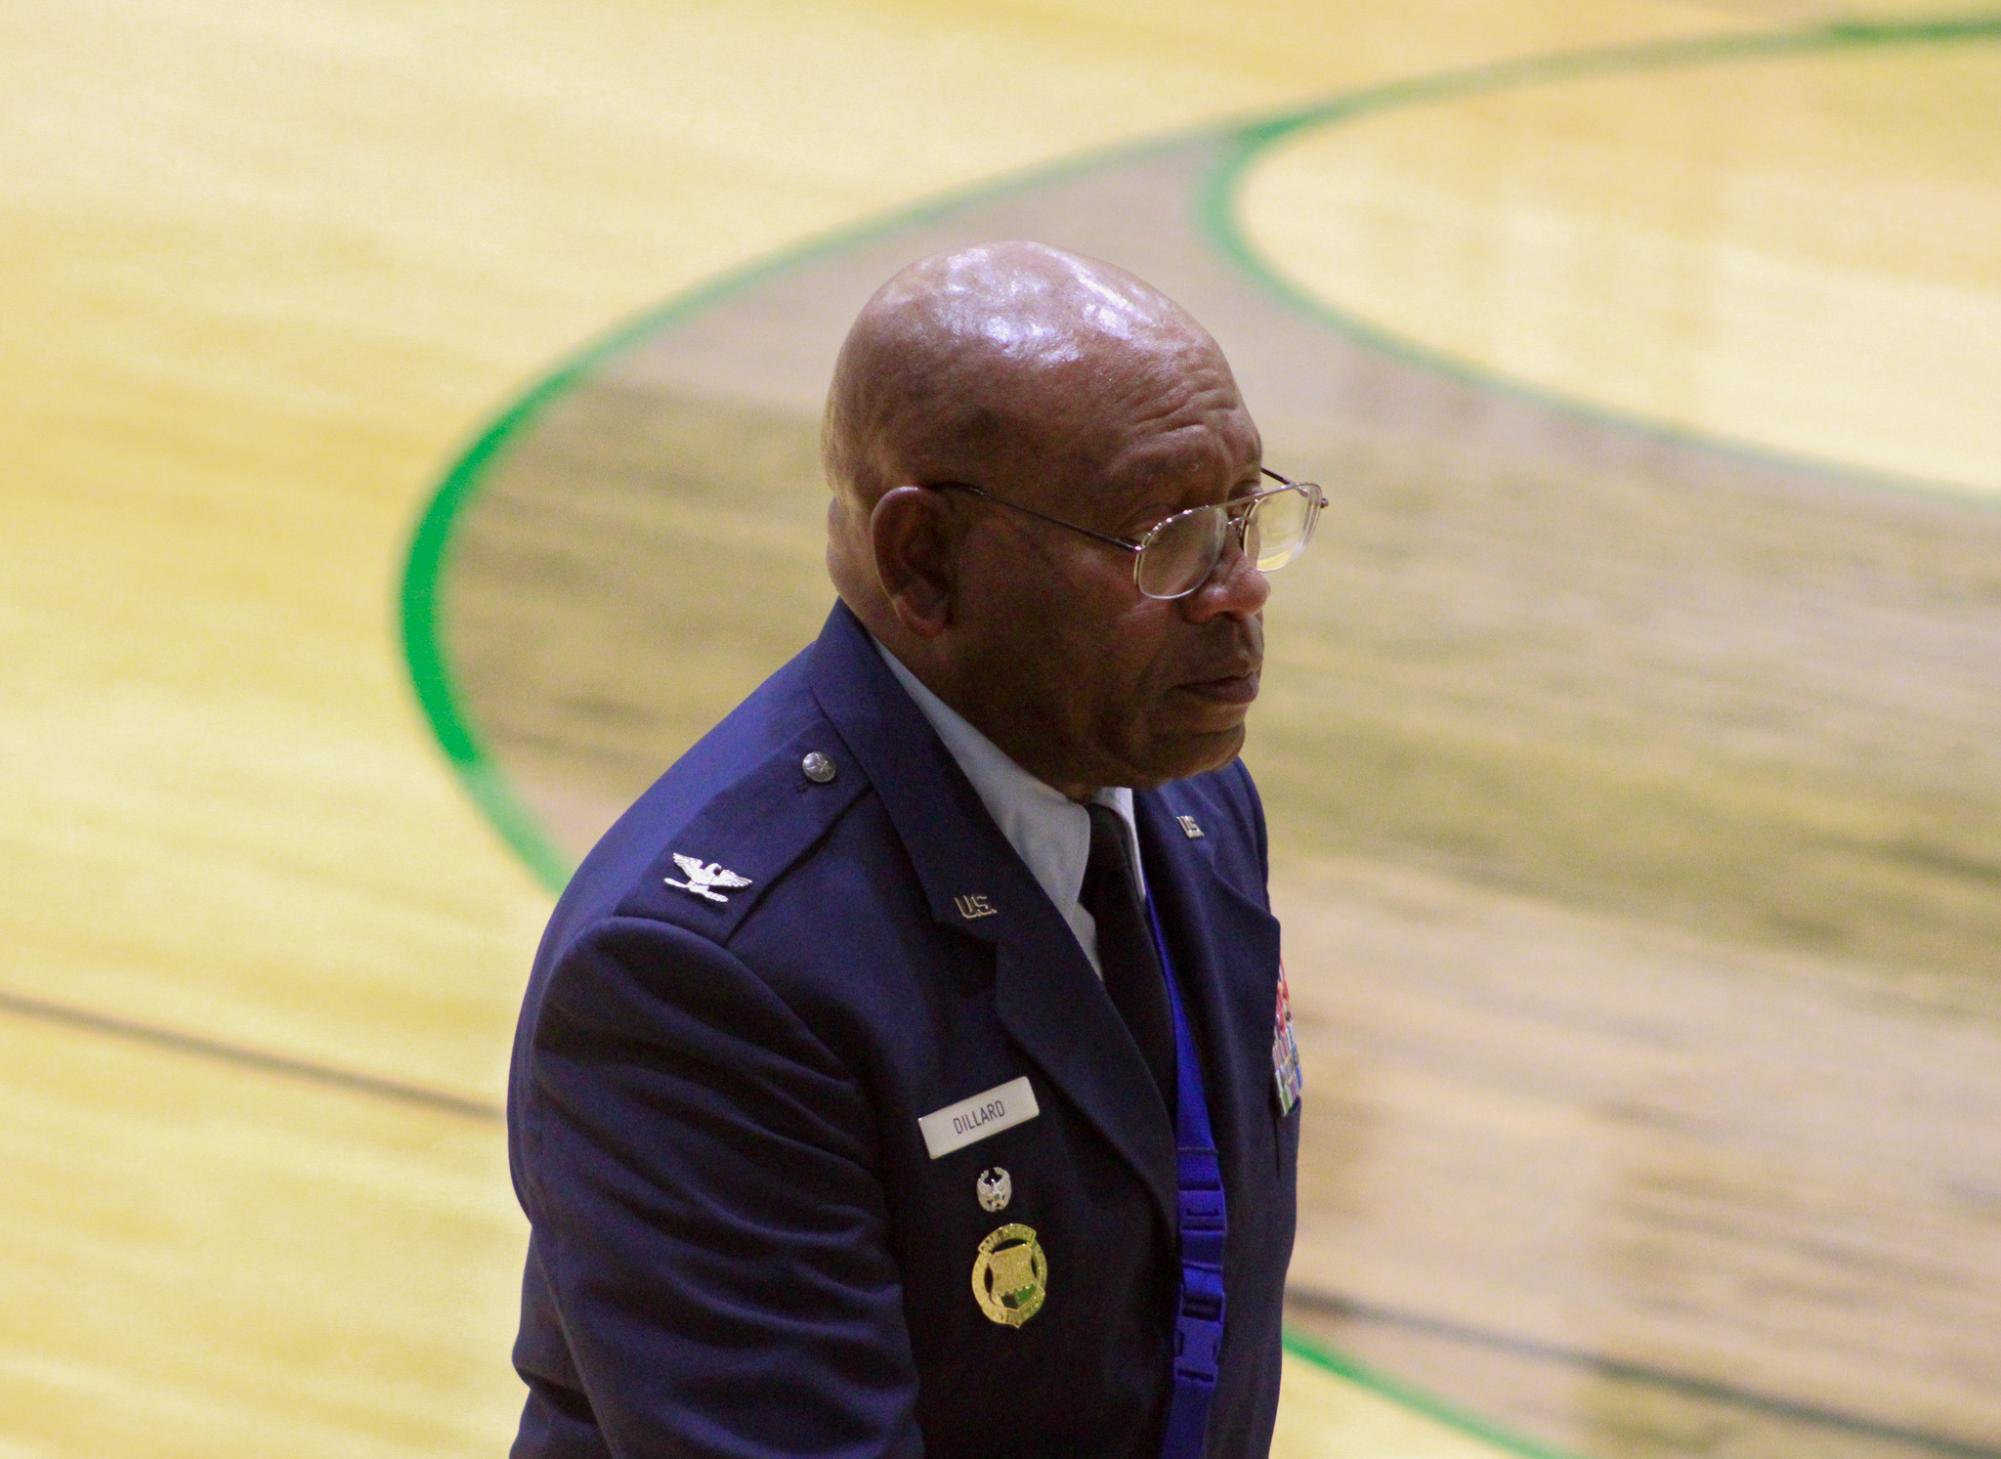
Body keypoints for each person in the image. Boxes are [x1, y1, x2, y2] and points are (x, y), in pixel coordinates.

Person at [506, 241, 1321, 1458]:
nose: (1239, 590)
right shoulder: (703, 981)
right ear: (924, 561)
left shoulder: (1190, 804)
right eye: (1167, 542)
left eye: (1245, 516)